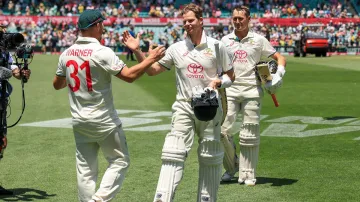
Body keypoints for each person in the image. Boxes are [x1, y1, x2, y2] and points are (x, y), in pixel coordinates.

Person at [122, 3, 235, 202]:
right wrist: (138, 51)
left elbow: (231, 76)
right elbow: (151, 70)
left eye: (191, 20)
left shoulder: (218, 46)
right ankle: (162, 199)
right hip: (184, 105)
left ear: (201, 21)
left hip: (209, 106)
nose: (187, 24)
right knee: (173, 151)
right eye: (184, 22)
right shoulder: (176, 48)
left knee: (209, 155)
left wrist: (219, 81)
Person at [52, 10, 165, 202]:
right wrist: (150, 59)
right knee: (120, 161)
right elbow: (129, 76)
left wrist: (72, 78)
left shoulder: (66, 53)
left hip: (79, 120)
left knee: (86, 170)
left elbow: (57, 84)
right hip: (103, 120)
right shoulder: (102, 52)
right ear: (96, 26)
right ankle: (99, 200)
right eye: (101, 24)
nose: (103, 28)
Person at [219, 6, 286, 186]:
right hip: (230, 90)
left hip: (252, 90)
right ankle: (232, 167)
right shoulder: (225, 40)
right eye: (235, 18)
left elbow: (279, 57)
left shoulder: (259, 40)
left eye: (241, 18)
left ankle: (247, 173)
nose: (238, 21)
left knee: (249, 133)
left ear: (249, 19)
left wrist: (278, 74)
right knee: (221, 131)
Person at [0, 23, 31, 196]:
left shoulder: (5, 52)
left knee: (1, 141)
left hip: (2, 100)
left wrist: (22, 73)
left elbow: (14, 71)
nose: (5, 34)